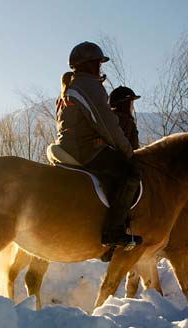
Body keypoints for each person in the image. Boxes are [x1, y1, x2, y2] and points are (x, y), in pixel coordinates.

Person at [47, 41, 142, 248]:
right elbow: (106, 124)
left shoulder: (69, 87)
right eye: (98, 63)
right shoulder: (89, 86)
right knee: (131, 173)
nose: (100, 67)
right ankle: (113, 231)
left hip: (67, 145)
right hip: (85, 149)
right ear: (89, 64)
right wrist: (127, 151)